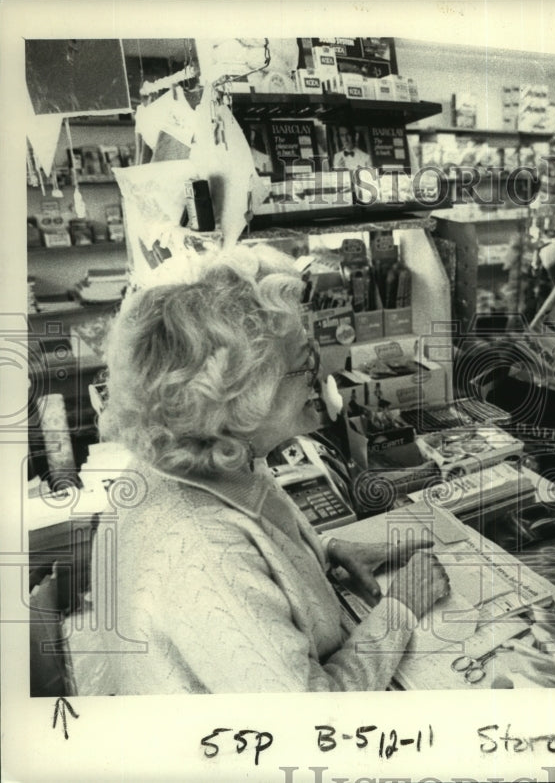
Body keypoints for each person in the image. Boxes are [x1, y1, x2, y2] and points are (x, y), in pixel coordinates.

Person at [76, 245, 449, 694]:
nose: (324, 370)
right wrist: (401, 610)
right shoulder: (203, 551)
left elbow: (254, 556)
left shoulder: (193, 461)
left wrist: (322, 552)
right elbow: (309, 725)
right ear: (236, 399)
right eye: (304, 362)